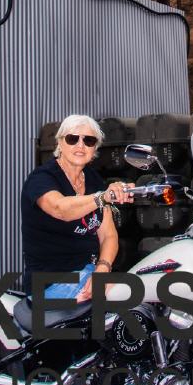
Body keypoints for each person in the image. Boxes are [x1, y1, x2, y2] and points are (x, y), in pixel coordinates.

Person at [21, 114, 134, 302]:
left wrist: (102, 269)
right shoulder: (42, 178)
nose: (80, 145)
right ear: (60, 142)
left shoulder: (93, 179)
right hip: (52, 282)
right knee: (129, 295)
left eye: (89, 141)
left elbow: (108, 235)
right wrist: (103, 197)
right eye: (72, 139)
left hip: (89, 272)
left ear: (95, 148)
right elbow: (61, 209)